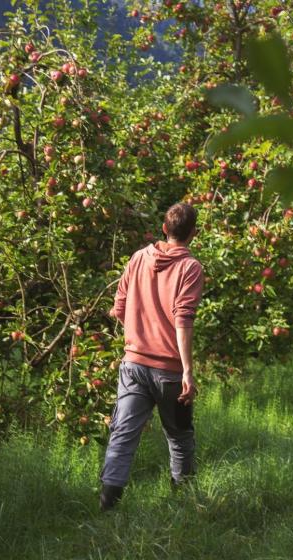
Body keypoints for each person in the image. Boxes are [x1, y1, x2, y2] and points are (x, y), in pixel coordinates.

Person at [99, 202, 204, 511]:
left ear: (164, 229)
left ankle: (107, 510)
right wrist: (187, 370)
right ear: (193, 233)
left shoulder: (137, 259)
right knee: (180, 438)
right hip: (169, 371)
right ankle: (182, 505)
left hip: (133, 365)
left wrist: (138, 333)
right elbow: (182, 319)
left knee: (122, 436)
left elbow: (118, 308)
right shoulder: (190, 268)